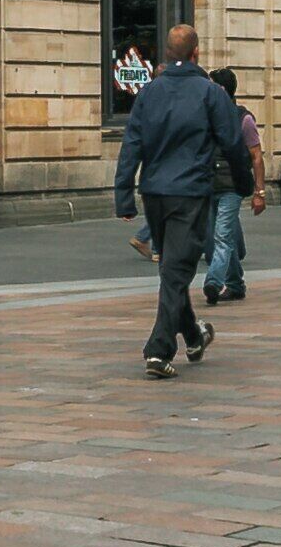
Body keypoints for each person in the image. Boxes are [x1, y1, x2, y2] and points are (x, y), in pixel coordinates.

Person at [113, 20, 250, 378]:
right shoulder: (210, 93)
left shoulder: (148, 93)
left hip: (154, 193)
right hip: (189, 192)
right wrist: (245, 184)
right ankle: (158, 351)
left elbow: (132, 144)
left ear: (168, 53)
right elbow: (233, 143)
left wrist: (124, 196)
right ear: (196, 53)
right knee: (175, 270)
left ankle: (194, 334)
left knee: (172, 268)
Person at [202, 68, 264, 308]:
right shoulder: (206, 116)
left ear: (221, 89)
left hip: (232, 186)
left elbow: (256, 156)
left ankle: (214, 282)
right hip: (209, 184)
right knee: (220, 235)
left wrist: (259, 192)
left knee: (222, 235)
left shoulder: (243, 119)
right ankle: (236, 284)